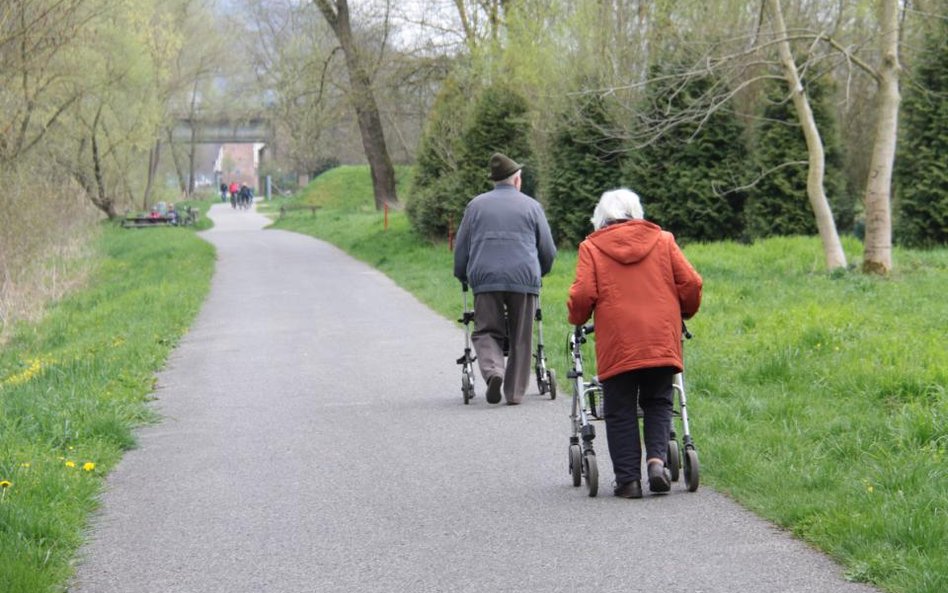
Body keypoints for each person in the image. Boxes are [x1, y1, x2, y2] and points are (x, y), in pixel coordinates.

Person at [567, 189, 702, 499]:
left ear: (601, 218)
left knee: (619, 408)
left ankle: (628, 481)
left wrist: (577, 316)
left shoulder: (592, 247)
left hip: (618, 341)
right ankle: (656, 463)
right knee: (658, 400)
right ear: (635, 212)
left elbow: (582, 295)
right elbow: (692, 282)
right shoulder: (663, 240)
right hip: (660, 337)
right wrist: (684, 312)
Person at [453, 153, 557, 405]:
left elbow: (462, 248)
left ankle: (493, 372)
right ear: (517, 180)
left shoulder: (475, 206)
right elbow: (548, 250)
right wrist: (539, 273)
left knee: (487, 329)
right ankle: (514, 394)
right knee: (521, 335)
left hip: (485, 278)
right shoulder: (532, 206)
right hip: (523, 277)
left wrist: (462, 273)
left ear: (495, 181)